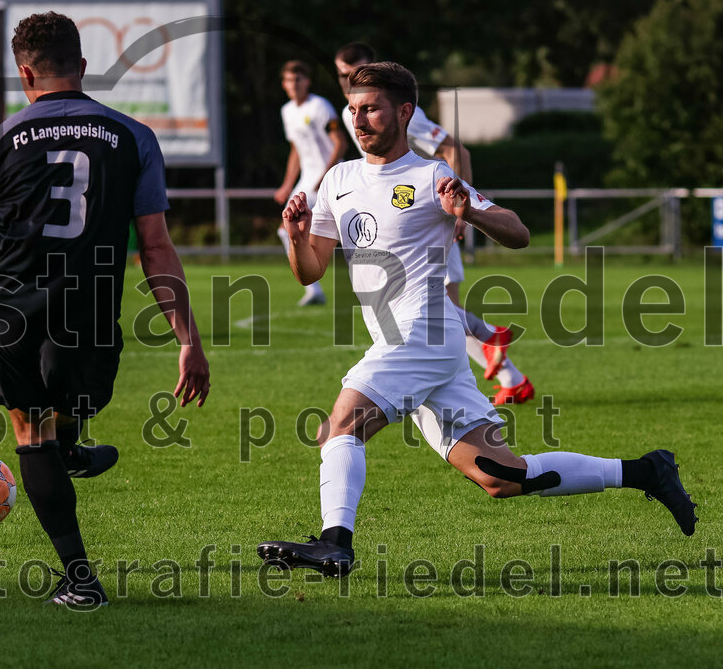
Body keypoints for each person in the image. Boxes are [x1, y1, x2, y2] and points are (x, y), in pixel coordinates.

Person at [257, 62, 697, 578]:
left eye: (371, 108)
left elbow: (518, 231)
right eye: (354, 109)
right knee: (500, 475)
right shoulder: (338, 179)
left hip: (419, 332)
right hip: (428, 345)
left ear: (404, 112)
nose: (359, 119)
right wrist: (297, 235)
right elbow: (310, 272)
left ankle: (336, 543)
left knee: (340, 425)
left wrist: (470, 213)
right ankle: (647, 470)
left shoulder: (431, 175)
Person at [0, 12, 210, 607]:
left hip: (15, 310)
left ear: (23, 72)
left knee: (31, 431)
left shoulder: (2, 138)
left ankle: (80, 580)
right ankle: (72, 448)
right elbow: (154, 247)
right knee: (69, 406)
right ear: (82, 68)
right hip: (90, 307)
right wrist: (188, 339)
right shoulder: (134, 137)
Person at [335, 43, 533, 404]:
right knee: (435, 317)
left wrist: (461, 210)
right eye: (342, 74)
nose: (348, 80)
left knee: (433, 311)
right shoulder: (355, 113)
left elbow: (457, 149)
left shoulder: (400, 112)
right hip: (399, 215)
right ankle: (506, 371)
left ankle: (491, 341)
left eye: (357, 70)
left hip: (425, 215)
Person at [274, 60, 346, 306]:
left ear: (307, 81)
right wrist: (287, 185)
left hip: (331, 176)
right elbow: (296, 149)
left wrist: (325, 176)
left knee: (347, 232)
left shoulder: (320, 106)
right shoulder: (287, 111)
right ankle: (313, 288)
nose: (293, 84)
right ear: (283, 84)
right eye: (288, 80)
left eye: (298, 79)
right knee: (286, 229)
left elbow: (340, 143)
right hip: (308, 180)